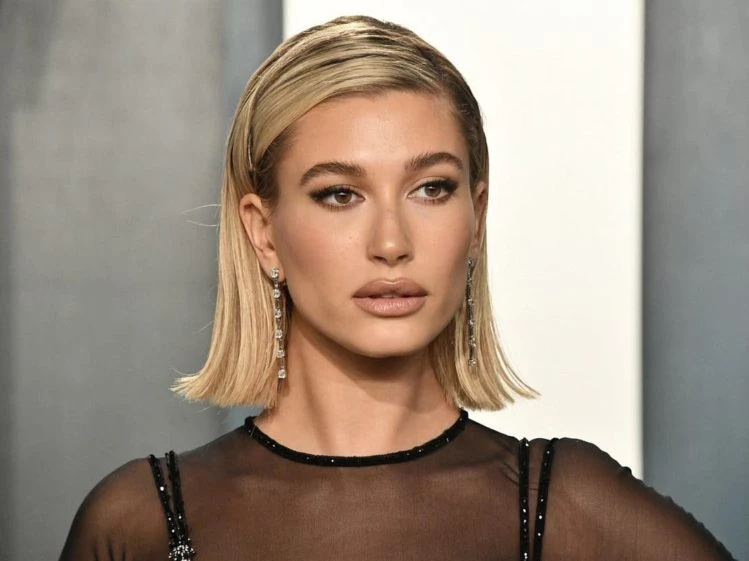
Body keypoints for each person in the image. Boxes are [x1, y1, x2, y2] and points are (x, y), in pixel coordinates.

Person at [59, 15, 736, 561]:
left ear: (476, 217)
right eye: (339, 193)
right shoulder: (139, 523)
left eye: (430, 188)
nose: (391, 241)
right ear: (263, 232)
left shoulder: (564, 510)